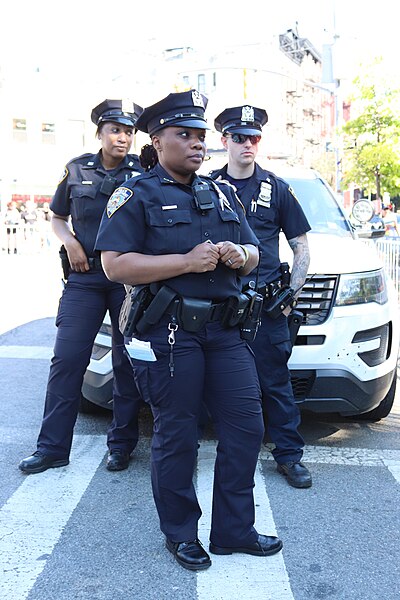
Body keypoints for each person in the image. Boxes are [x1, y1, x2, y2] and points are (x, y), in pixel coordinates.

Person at [95, 90, 283, 571]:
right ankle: (180, 534)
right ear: (158, 141)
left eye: (201, 136)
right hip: (171, 335)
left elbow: (255, 251)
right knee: (177, 435)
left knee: (245, 427)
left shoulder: (219, 192)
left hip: (226, 333)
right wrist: (185, 261)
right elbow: (115, 265)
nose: (198, 144)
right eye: (186, 135)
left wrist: (245, 256)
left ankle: (233, 530)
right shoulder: (135, 194)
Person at [19, 99, 144, 475]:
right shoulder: (76, 169)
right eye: (115, 130)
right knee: (67, 360)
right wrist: (70, 242)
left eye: (128, 131)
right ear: (100, 133)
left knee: (126, 363)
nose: (122, 138)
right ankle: (52, 447)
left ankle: (121, 445)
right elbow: (57, 217)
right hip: (84, 278)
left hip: (127, 282)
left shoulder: (142, 172)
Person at [210, 105, 312, 489]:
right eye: (239, 137)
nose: (248, 144)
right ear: (225, 141)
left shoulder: (277, 189)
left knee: (276, 384)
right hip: (221, 304)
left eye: (254, 138)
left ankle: (289, 456)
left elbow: (300, 247)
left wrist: (291, 293)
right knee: (215, 383)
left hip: (266, 308)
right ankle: (227, 453)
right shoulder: (208, 186)